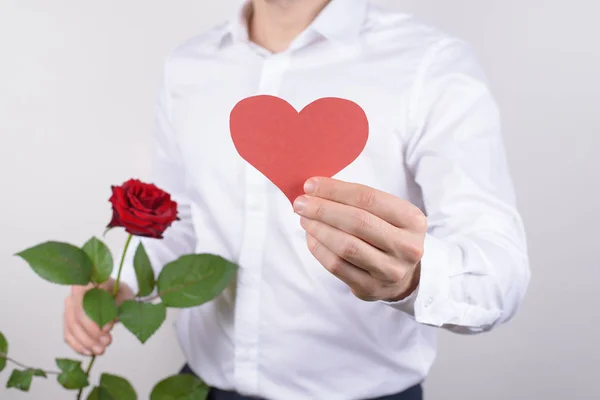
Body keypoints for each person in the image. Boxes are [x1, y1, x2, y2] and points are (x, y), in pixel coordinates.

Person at [62, 0, 531, 399]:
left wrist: (414, 276)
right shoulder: (188, 66)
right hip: (202, 387)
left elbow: (500, 269)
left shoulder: (429, 65)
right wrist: (118, 281)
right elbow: (181, 217)